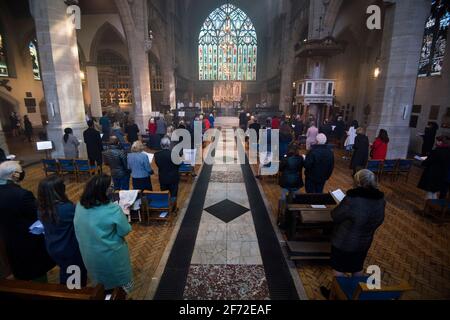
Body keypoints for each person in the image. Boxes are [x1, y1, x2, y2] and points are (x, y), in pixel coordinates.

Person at [320, 169, 385, 299]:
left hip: (344, 241)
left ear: (358, 182)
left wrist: (342, 206)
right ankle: (356, 294)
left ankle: (337, 293)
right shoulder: (380, 199)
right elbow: (379, 220)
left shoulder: (352, 199)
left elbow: (335, 216)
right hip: (365, 241)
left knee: (338, 268)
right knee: (357, 267)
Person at [74, 174, 133, 293]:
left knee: (101, 284)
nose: (112, 189)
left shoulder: (80, 205)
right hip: (110, 254)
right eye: (110, 187)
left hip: (89, 253)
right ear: (104, 191)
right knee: (117, 285)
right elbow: (124, 230)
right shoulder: (112, 209)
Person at [0, 161, 55, 281]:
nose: (22, 173)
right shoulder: (22, 195)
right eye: (20, 171)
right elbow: (38, 214)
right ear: (13, 175)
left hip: (9, 238)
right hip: (28, 240)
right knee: (37, 273)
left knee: (21, 269)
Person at [37, 175, 87, 286]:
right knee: (75, 281)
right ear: (58, 190)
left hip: (53, 246)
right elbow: (83, 219)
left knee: (66, 271)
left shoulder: (42, 208)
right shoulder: (66, 209)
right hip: (69, 249)